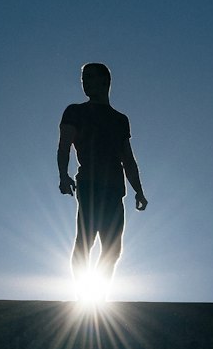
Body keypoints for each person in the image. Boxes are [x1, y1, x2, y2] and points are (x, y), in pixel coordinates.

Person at [57, 63, 147, 292]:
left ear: (105, 81)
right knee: (85, 241)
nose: (85, 82)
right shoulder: (75, 111)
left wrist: (138, 190)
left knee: (113, 248)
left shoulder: (119, 119)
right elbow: (64, 146)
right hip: (89, 182)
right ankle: (82, 297)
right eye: (83, 78)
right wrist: (63, 175)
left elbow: (128, 158)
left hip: (115, 188)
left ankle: (97, 297)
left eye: (90, 77)